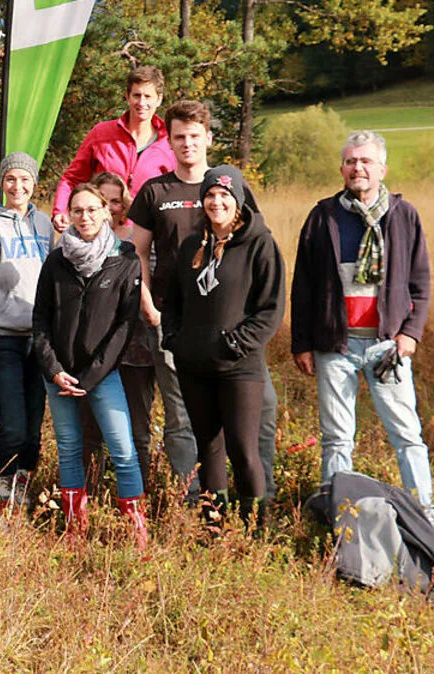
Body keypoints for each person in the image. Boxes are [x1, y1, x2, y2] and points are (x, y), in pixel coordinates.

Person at [129, 100, 278, 502]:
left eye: (195, 136)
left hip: (237, 336)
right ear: (169, 141)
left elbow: (258, 256)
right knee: (184, 420)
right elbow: (137, 251)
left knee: (258, 417)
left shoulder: (231, 185)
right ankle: (195, 500)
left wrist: (246, 334)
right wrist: (151, 308)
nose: (187, 144)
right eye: (179, 137)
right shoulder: (155, 191)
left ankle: (261, 499)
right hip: (176, 324)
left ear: (209, 138)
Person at [291, 131, 434, 518]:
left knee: (407, 436)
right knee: (337, 438)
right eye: (352, 161)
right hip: (335, 346)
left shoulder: (403, 216)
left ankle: (426, 517)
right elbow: (302, 284)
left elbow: (421, 282)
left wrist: (409, 334)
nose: (358, 168)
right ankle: (339, 521)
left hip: (387, 346)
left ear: (382, 169)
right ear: (342, 169)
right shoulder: (323, 216)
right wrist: (301, 342)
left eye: (366, 161)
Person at [162, 165, 285, 526]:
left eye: (225, 196)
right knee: (208, 447)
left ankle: (253, 525)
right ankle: (214, 523)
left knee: (243, 448)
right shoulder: (190, 246)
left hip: (239, 367)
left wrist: (236, 344)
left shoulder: (260, 244)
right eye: (210, 195)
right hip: (194, 366)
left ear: (239, 202)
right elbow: (172, 302)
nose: (217, 202)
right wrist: (176, 340)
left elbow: (271, 309)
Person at [32, 183, 147, 546]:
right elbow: (40, 320)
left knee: (123, 450)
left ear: (107, 212)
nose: (85, 217)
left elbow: (125, 326)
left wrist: (92, 375)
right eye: (77, 210)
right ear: (69, 214)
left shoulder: (125, 259)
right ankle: (74, 530)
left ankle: (137, 533)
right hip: (59, 374)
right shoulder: (56, 260)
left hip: (103, 375)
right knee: (69, 450)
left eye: (92, 209)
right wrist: (54, 369)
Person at [0, 152, 53, 513]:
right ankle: (1, 497)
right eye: (10, 179)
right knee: (13, 428)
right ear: (1, 183)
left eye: (25, 180)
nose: (17, 186)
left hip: (41, 340)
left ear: (35, 184)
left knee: (33, 433)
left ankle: (22, 492)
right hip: (3, 339)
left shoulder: (46, 226)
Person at [79, 172, 156, 486]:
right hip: (93, 348)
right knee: (90, 426)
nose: (109, 208)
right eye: (103, 201)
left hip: (136, 346)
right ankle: (89, 490)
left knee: (137, 425)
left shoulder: (137, 239)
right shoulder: (78, 240)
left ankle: (140, 493)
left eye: (116, 201)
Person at [52, 65, 175, 232]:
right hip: (100, 233)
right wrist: (60, 210)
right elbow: (72, 178)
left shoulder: (169, 141)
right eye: (136, 95)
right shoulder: (101, 133)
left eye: (148, 96)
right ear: (127, 97)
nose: (142, 103)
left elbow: (180, 189)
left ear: (159, 99)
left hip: (149, 235)